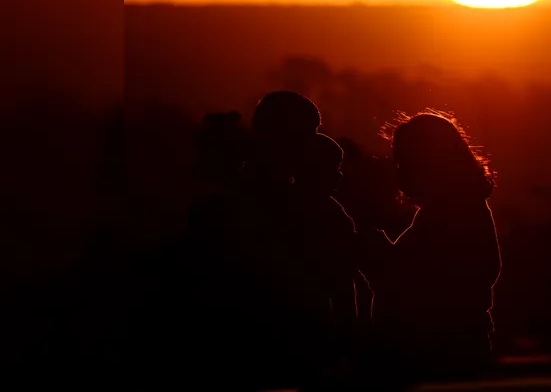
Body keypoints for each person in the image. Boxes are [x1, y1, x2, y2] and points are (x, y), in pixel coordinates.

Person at [182, 92, 360, 390]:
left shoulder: (316, 208)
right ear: (280, 138)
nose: (313, 144)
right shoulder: (229, 209)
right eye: (307, 134)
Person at [365, 111, 502, 383]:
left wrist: (377, 254)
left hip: (440, 353)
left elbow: (421, 280)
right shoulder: (458, 208)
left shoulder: (453, 214)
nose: (399, 168)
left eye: (405, 160)